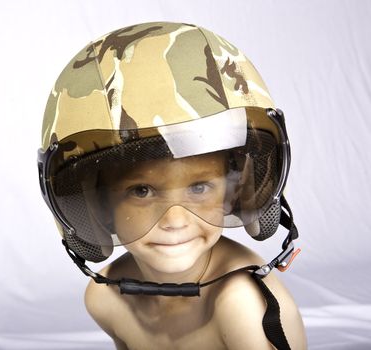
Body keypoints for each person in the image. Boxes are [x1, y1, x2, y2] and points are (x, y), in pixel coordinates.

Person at [38, 21, 307, 349]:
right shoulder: (105, 298)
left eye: (199, 187)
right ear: (95, 205)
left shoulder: (240, 305)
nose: (175, 221)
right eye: (142, 191)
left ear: (238, 189)